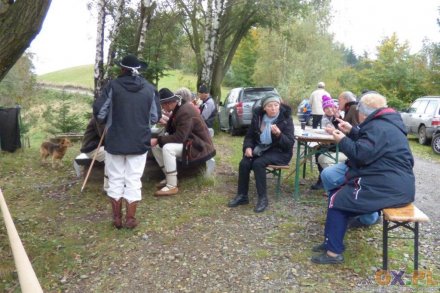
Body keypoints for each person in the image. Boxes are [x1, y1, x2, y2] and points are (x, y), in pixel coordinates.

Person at [311, 92, 415, 264]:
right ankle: (331, 241)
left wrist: (342, 140)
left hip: (391, 186)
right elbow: (370, 145)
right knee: (338, 193)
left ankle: (333, 253)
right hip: (395, 183)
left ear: (363, 113)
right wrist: (352, 131)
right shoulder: (386, 123)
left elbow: (360, 155)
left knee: (337, 201)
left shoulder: (378, 126)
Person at [93, 54, 159, 229]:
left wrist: (109, 121)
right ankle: (130, 219)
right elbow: (155, 116)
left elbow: (99, 112)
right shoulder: (150, 89)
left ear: (122, 69)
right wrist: (141, 124)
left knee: (115, 179)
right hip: (139, 141)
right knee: (134, 179)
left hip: (115, 141)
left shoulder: (112, 86)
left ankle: (117, 218)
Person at [227, 94, 295, 213]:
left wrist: (279, 134)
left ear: (280, 105)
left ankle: (263, 199)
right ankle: (242, 196)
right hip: (262, 149)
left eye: (276, 105)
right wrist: (248, 147)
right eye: (270, 106)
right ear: (264, 108)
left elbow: (289, 143)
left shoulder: (286, 119)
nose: (273, 108)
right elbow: (250, 136)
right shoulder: (258, 117)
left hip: (280, 152)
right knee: (244, 163)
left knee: (258, 163)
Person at [323, 90, 379, 228]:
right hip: (356, 162)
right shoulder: (358, 114)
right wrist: (349, 130)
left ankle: (367, 217)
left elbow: (362, 153)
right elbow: (359, 134)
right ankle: (339, 205)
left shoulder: (355, 110)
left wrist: (342, 137)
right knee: (327, 174)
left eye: (339, 100)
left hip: (369, 169)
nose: (337, 103)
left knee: (324, 159)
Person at [150, 88, 216, 196]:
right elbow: (174, 129)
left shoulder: (184, 111)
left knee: (167, 148)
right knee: (156, 146)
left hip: (199, 146)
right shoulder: (179, 108)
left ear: (169, 103)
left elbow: (180, 137)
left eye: (163, 105)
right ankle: (170, 177)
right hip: (191, 142)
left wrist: (158, 139)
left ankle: (172, 185)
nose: (162, 108)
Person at [310, 95, 347, 190]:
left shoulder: (340, 117)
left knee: (320, 151)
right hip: (330, 143)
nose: (329, 110)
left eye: (331, 107)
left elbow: (342, 132)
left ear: (335, 107)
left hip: (340, 145)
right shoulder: (324, 118)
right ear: (323, 110)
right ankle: (322, 179)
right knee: (318, 150)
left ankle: (324, 179)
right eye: (326, 108)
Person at [73, 117, 108, 192]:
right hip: (92, 148)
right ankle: (108, 187)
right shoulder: (100, 117)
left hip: (101, 146)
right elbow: (106, 136)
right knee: (112, 156)